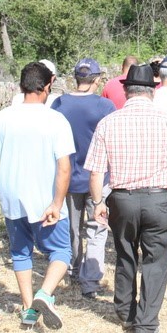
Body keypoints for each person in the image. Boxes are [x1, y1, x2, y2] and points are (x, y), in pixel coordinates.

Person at [84, 64, 167, 333]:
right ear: (152, 91)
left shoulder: (109, 122)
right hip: (159, 199)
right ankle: (146, 324)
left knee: (125, 256)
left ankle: (126, 314)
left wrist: (97, 202)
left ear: (126, 91)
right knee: (155, 261)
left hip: (123, 198)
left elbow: (95, 170)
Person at [0, 62, 75, 330]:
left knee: (20, 252)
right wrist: (57, 202)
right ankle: (45, 294)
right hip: (44, 197)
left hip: (11, 195)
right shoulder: (56, 120)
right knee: (61, 251)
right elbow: (64, 167)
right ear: (48, 87)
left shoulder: (4, 117)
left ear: (21, 87)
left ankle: (29, 309)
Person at [52, 58, 117, 300]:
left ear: (75, 78)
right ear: (97, 80)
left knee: (72, 228)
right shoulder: (105, 107)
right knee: (97, 229)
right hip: (97, 178)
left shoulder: (59, 104)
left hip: (67, 177)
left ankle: (72, 269)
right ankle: (90, 280)